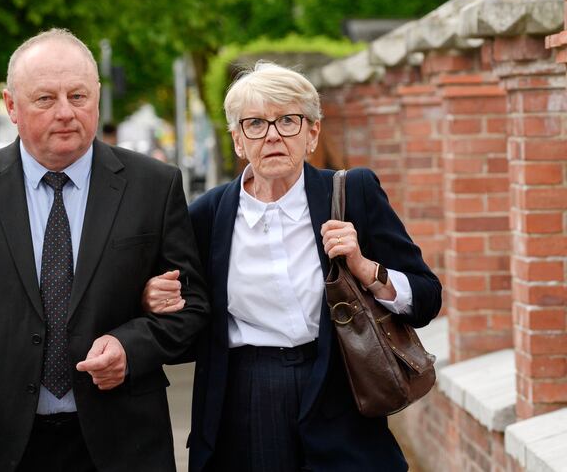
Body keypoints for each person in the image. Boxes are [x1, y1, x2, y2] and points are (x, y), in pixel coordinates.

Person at [0, 28, 209, 471]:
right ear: (11, 106)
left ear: (98, 96)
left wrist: (131, 347)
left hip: (120, 443)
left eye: (78, 96)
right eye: (45, 99)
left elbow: (194, 307)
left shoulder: (154, 186)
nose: (66, 112)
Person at [144, 62, 441, 471]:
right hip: (244, 401)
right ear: (237, 140)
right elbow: (181, 310)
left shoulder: (353, 194)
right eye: (255, 124)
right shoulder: (207, 216)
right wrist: (153, 298)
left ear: (312, 132)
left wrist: (365, 267)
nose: (272, 135)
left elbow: (427, 299)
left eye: (288, 120)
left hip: (341, 394)